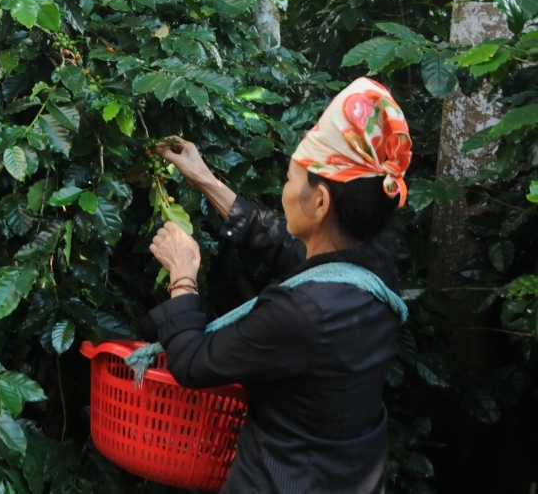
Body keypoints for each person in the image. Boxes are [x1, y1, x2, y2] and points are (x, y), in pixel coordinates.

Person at [144, 77, 412, 494]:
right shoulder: (372, 271)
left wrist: (182, 274)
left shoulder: (300, 313)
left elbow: (193, 363)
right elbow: (285, 248)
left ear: (320, 202)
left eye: (290, 179)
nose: (285, 191)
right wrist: (205, 180)